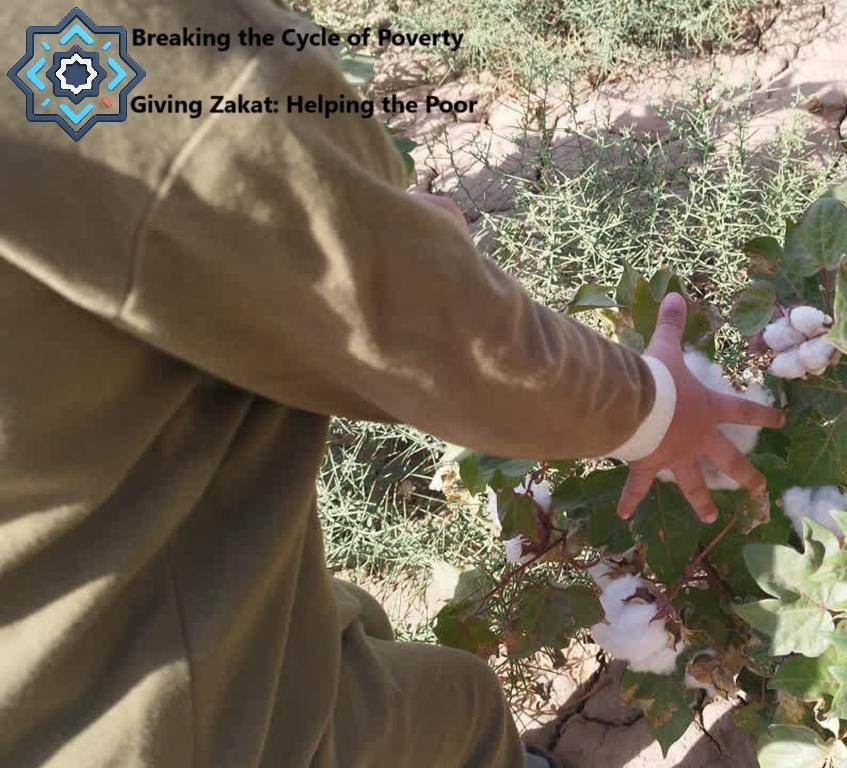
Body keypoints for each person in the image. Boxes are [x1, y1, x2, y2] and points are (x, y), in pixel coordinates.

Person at [0, 0, 784, 765]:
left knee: (338, 635)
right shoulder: (100, 36)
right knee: (455, 713)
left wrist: (369, 215)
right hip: (154, 716)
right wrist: (653, 409)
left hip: (39, 651)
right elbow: (403, 317)